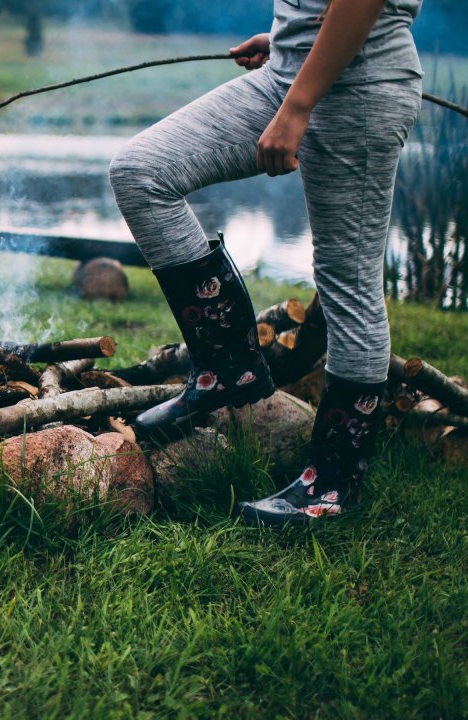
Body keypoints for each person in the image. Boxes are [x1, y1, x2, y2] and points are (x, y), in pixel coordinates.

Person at [108, 0, 423, 525]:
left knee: (349, 282)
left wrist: (298, 106)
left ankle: (332, 485)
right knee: (142, 171)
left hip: (359, 90)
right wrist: (291, 41)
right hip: (290, 73)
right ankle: (225, 369)